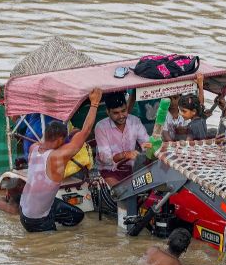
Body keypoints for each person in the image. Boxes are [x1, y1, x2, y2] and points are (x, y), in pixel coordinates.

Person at [18, 87, 101, 232]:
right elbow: (86, 131)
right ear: (60, 140)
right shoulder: (57, 157)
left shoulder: (33, 148)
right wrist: (94, 103)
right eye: (65, 140)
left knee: (76, 216)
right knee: (55, 246)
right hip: (37, 220)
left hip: (24, 210)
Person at [94, 91, 152, 186]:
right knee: (120, 192)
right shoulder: (101, 127)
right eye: (116, 113)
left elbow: (146, 142)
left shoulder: (135, 121)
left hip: (132, 169)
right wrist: (124, 155)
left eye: (123, 111)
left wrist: (150, 147)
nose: (121, 116)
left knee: (150, 187)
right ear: (108, 112)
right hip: (108, 171)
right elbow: (105, 158)